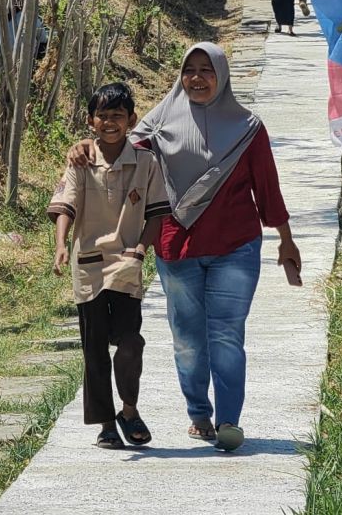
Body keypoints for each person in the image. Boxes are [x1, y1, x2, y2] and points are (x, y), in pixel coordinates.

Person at [68, 43, 302, 452]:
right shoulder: (157, 126)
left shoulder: (249, 127)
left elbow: (268, 190)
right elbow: (115, 144)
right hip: (178, 246)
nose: (196, 78)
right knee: (188, 338)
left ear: (222, 75)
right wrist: (83, 146)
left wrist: (285, 240)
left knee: (227, 333)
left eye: (206, 70)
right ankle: (199, 414)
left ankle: (230, 419)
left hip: (236, 246)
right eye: (189, 70)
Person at [49, 83, 170, 450]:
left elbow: (156, 215)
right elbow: (66, 205)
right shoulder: (81, 161)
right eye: (102, 115)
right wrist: (60, 246)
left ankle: (129, 409)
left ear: (132, 120)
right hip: (88, 266)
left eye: (118, 116)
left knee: (131, 341)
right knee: (95, 348)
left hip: (127, 263)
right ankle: (105, 424)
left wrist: (140, 250)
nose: (110, 122)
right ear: (91, 121)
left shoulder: (146, 163)